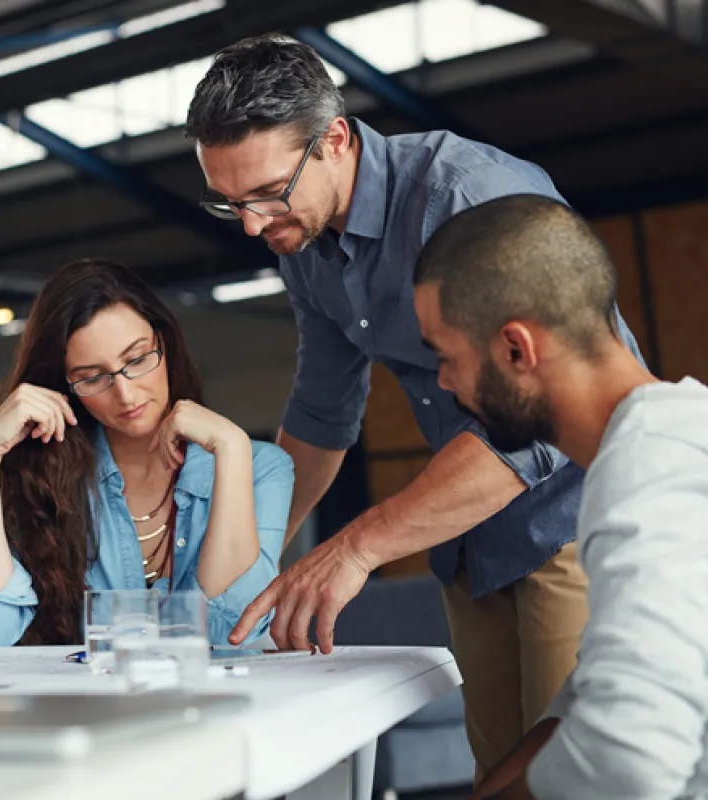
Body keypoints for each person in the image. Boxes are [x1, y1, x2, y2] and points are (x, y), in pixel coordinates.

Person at [185, 33, 644, 776]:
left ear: (333, 139)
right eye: (229, 202)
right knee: (500, 770)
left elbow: (537, 420)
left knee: (578, 777)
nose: (252, 225)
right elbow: (322, 410)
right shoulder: (302, 246)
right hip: (470, 541)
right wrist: (254, 552)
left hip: (575, 516)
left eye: (267, 192)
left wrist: (357, 546)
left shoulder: (466, 196)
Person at [414, 194, 708, 800]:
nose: (443, 384)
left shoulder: (650, 466)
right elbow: (605, 675)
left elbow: (629, 760)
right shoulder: (661, 439)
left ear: (517, 350)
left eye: (447, 359)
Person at [0, 259, 293, 646]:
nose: (126, 394)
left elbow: (232, 632)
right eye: (93, 377)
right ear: (64, 386)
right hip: (91, 705)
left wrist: (231, 449)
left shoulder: (261, 467)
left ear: (165, 342)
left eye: (137, 359)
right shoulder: (42, 474)